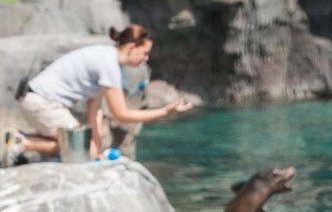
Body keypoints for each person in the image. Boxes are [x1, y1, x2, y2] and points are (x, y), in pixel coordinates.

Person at [2, 25, 193, 167]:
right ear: (132, 48)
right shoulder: (109, 64)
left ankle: (19, 140)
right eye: (144, 53)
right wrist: (165, 111)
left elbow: (94, 109)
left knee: (90, 151)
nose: (146, 59)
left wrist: (98, 151)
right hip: (43, 104)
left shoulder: (106, 58)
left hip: (36, 101)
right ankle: (20, 142)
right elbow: (121, 114)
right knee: (79, 151)